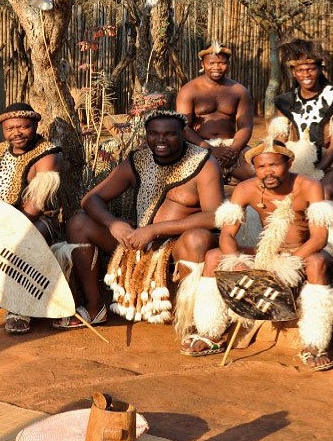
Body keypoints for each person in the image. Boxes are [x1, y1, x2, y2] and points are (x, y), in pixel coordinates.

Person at [58, 110, 223, 346]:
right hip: (137, 242)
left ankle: (194, 321)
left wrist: (156, 230)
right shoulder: (138, 160)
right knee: (79, 223)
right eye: (154, 134)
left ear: (183, 135)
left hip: (176, 246)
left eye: (169, 134)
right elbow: (91, 199)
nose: (161, 140)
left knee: (197, 239)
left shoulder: (204, 163)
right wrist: (113, 224)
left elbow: (215, 216)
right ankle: (95, 307)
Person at [208, 139, 333, 368]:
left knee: (317, 262)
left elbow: (319, 238)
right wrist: (236, 260)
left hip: (304, 252)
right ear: (254, 168)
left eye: (274, 165)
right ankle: (210, 331)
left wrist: (289, 264)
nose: (268, 172)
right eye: (261, 167)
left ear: (288, 163)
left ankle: (314, 343)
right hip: (267, 252)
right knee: (213, 257)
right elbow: (227, 234)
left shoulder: (309, 186)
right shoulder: (245, 188)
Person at [0, 102, 64, 334]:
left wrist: (9, 229)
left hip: (37, 220)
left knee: (21, 245)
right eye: (9, 129)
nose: (16, 133)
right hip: (0, 217)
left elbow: (36, 204)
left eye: (23, 127)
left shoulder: (48, 154)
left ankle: (20, 308)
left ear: (34, 125)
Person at [273, 43, 333, 200]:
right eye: (300, 70)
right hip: (295, 160)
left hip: (327, 161)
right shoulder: (285, 101)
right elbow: (280, 139)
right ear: (293, 72)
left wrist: (319, 169)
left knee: (323, 193)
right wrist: (280, 166)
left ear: (319, 70)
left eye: (310, 69)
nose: (306, 75)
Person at [175, 42, 254, 182]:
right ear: (202, 65)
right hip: (199, 146)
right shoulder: (189, 90)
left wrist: (234, 150)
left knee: (256, 175)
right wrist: (211, 149)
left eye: (222, 63)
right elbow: (183, 127)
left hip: (231, 147)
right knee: (194, 180)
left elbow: (245, 126)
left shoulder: (239, 91)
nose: (217, 67)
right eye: (211, 63)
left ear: (228, 64)